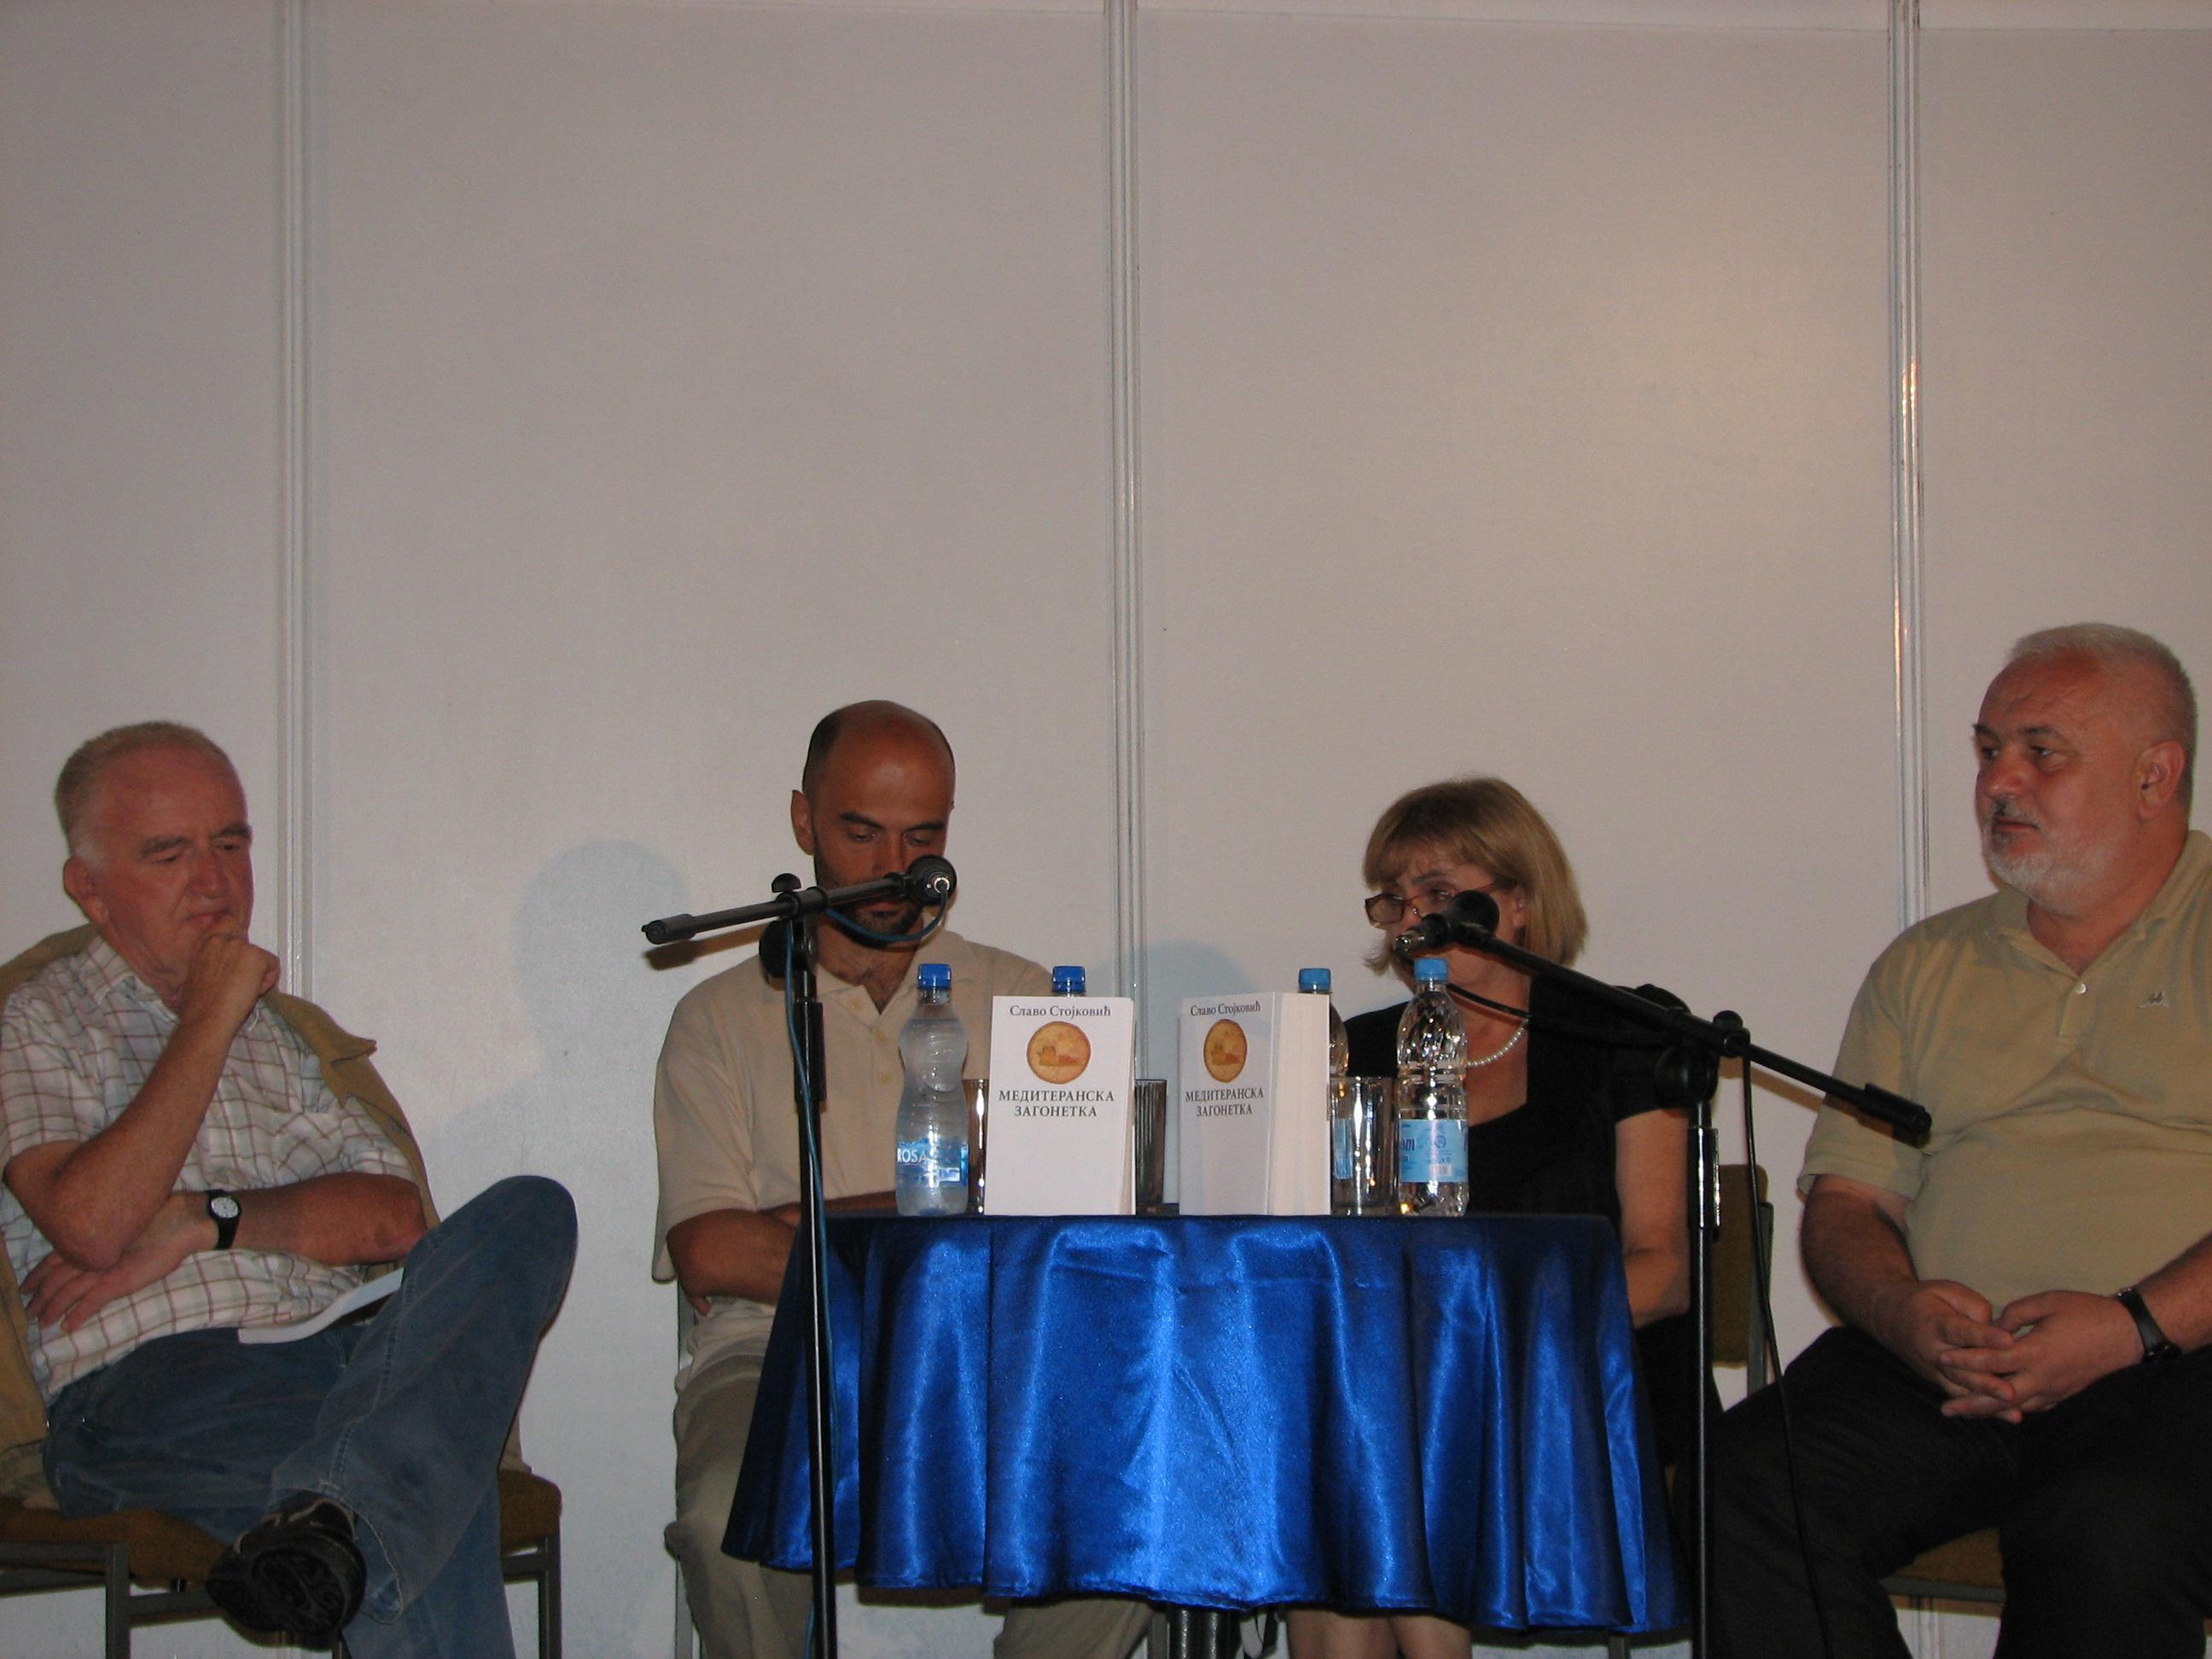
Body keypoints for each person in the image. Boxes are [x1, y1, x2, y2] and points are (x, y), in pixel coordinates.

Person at [0, 721, 576, 1656]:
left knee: (531, 1211)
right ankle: (349, 1511)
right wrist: (210, 1014)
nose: (214, 882)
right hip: (162, 1386)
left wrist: (204, 1220)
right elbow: (93, 1226)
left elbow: (395, 1221)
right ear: (89, 889)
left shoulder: (290, 1035)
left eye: (231, 844)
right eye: (169, 854)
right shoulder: (37, 1017)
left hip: (349, 1367)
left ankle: (337, 1515)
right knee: (414, 1496)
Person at [1706, 623, 2212, 1658]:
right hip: (1949, 1371)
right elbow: (1849, 1203)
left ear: (2155, 777)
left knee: (2111, 1530)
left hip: (2179, 1362)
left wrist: (2130, 1328)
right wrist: (1903, 1313)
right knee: (1741, 1489)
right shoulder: (1926, 965)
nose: (1998, 783)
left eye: (2041, 752)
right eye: (1988, 751)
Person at [655, 699, 1149, 1659]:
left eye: (923, 836)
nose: (897, 867)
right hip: (778, 1347)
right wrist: (953, 1205)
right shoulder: (717, 1016)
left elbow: (1082, 1212)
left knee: (1126, 1502)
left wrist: (802, 1221)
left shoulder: (1030, 997)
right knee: (723, 1520)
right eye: (862, 833)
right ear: (804, 821)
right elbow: (712, 1250)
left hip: (997, 1345)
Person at [1289, 776, 1693, 1659]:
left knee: (1387, 1455)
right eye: (1393, 900)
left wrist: (1488, 1342)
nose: (1409, 922)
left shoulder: (1620, 1032)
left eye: (1436, 893)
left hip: (1580, 1381)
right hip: (1405, 1391)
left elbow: (1662, 1273)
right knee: (1353, 1437)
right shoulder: (1359, 1051)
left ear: (1518, 901)